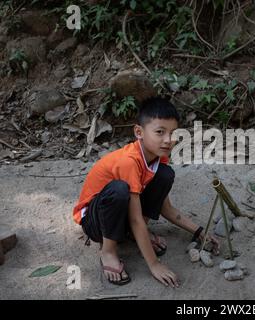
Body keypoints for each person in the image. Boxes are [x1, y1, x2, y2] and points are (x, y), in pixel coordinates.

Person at [72, 97, 219, 287]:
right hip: (96, 223)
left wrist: (200, 231)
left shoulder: (158, 159)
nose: (168, 140)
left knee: (165, 175)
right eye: (160, 132)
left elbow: (166, 209)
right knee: (119, 189)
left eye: (173, 133)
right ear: (139, 132)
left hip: (121, 215)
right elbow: (135, 218)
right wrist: (155, 265)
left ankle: (135, 235)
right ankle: (108, 251)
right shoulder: (129, 161)